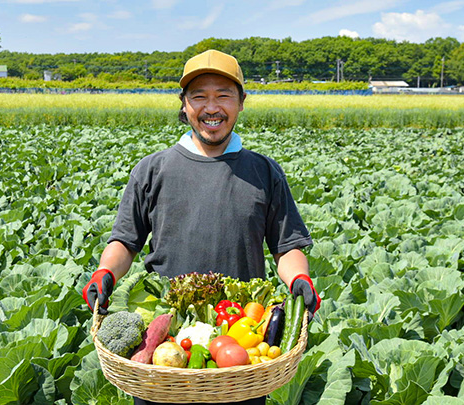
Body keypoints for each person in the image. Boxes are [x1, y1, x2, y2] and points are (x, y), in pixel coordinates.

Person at [82, 50, 321, 405]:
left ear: (241, 102)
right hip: (166, 343)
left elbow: (286, 247)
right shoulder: (153, 169)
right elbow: (125, 241)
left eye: (223, 95)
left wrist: (299, 279)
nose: (212, 107)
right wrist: (104, 273)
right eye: (199, 96)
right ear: (184, 105)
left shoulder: (264, 172)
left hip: (241, 347)